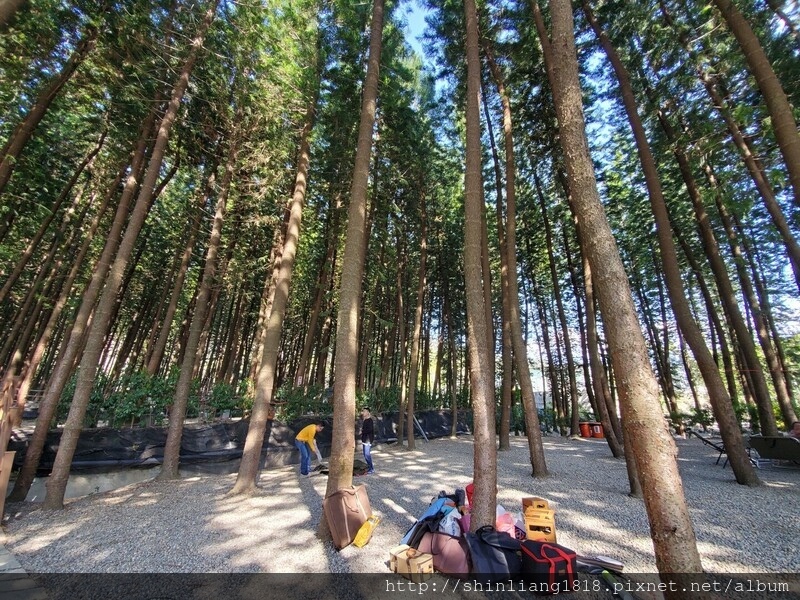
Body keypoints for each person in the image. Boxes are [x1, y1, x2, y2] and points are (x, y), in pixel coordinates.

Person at [360, 407, 375, 474]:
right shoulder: (365, 420)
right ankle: (369, 467)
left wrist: (363, 431)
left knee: (367, 454)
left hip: (368, 439)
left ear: (368, 413)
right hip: (364, 439)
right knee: (365, 454)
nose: (363, 413)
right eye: (363, 411)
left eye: (365, 411)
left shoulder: (370, 420)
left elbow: (370, 430)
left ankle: (371, 468)